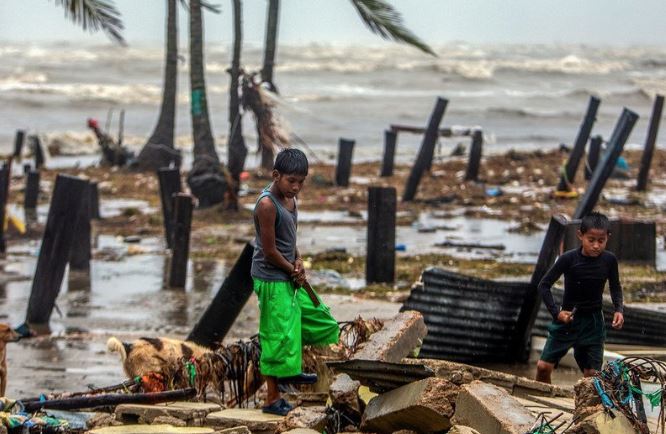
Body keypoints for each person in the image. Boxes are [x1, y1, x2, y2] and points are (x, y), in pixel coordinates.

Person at [251, 148, 339, 415]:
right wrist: (292, 269)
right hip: (271, 276)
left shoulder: (291, 200)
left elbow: (289, 242)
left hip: (288, 272)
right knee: (276, 334)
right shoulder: (267, 204)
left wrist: (298, 261)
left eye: (301, 182)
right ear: (276, 176)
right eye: (291, 181)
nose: (296, 187)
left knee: (320, 320)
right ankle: (272, 399)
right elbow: (269, 250)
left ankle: (290, 370)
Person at [536, 211, 624, 384]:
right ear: (580, 235)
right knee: (543, 367)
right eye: (591, 240)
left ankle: (585, 409)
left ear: (608, 237)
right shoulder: (568, 259)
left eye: (601, 241)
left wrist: (618, 310)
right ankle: (539, 397)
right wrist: (556, 313)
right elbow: (543, 285)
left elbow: (615, 286)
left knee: (592, 375)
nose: (596, 246)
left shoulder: (609, 260)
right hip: (567, 319)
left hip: (593, 323)